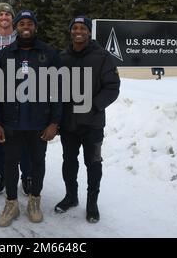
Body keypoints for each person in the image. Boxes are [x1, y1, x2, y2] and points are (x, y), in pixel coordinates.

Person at [0, 10, 62, 227]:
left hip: (38, 123)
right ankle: (11, 203)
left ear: (35, 27)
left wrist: (54, 123)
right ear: (16, 27)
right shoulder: (5, 55)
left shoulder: (49, 54)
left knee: (37, 163)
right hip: (11, 123)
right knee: (11, 163)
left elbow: (59, 91)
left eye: (29, 23)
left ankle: (34, 201)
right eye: (21, 23)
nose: (25, 27)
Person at [54, 16, 121, 223]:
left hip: (92, 124)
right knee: (69, 161)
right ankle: (71, 196)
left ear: (89, 32)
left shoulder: (102, 57)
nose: (78, 31)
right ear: (70, 31)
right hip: (68, 123)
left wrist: (93, 106)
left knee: (93, 163)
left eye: (83, 28)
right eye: (75, 28)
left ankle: (92, 203)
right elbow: (55, 89)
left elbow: (112, 87)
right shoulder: (62, 57)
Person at [0, 2, 31, 195]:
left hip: (23, 96)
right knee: (0, 138)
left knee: (25, 139)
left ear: (13, 19)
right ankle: (1, 174)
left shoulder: (22, 39)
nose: (4, 17)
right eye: (0, 14)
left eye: (8, 14)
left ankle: (27, 176)